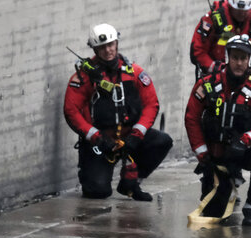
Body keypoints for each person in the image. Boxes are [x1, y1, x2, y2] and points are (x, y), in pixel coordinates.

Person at [64, 23, 173, 201]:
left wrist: (137, 134)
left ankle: (131, 181)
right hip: (100, 142)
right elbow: (71, 111)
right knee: (98, 192)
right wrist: (96, 137)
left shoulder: (134, 73)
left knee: (163, 141)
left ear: (116, 43)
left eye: (111, 45)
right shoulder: (84, 78)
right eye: (102, 47)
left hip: (130, 137)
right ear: (94, 48)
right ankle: (93, 173)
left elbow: (151, 104)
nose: (108, 50)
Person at [185, 34, 251, 227]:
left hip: (242, 151)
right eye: (235, 57)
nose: (238, 63)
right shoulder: (207, 84)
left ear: (249, 60)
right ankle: (223, 184)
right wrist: (202, 153)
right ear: (227, 58)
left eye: (243, 58)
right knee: (213, 216)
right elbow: (191, 118)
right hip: (214, 157)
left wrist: (247, 139)